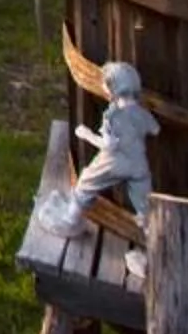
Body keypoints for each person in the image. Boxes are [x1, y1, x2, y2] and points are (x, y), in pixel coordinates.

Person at [42, 60, 160, 235]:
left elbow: (108, 145)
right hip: (138, 163)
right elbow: (155, 129)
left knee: (86, 182)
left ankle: (70, 220)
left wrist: (86, 134)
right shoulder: (143, 114)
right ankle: (155, 244)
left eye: (106, 84)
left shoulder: (112, 115)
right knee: (144, 208)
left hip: (114, 161)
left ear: (114, 88)